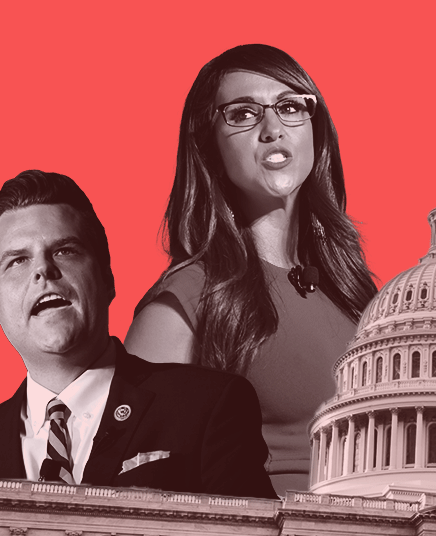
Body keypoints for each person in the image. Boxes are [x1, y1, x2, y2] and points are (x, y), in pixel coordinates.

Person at [125, 45, 376, 494]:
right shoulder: (185, 300)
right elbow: (135, 482)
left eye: (290, 106)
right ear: (208, 146)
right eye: (243, 114)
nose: (273, 128)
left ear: (315, 131)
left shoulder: (359, 298)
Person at [0, 170, 274, 499]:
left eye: (64, 250)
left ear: (107, 279)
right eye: (17, 261)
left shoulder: (209, 406)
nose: (43, 270)